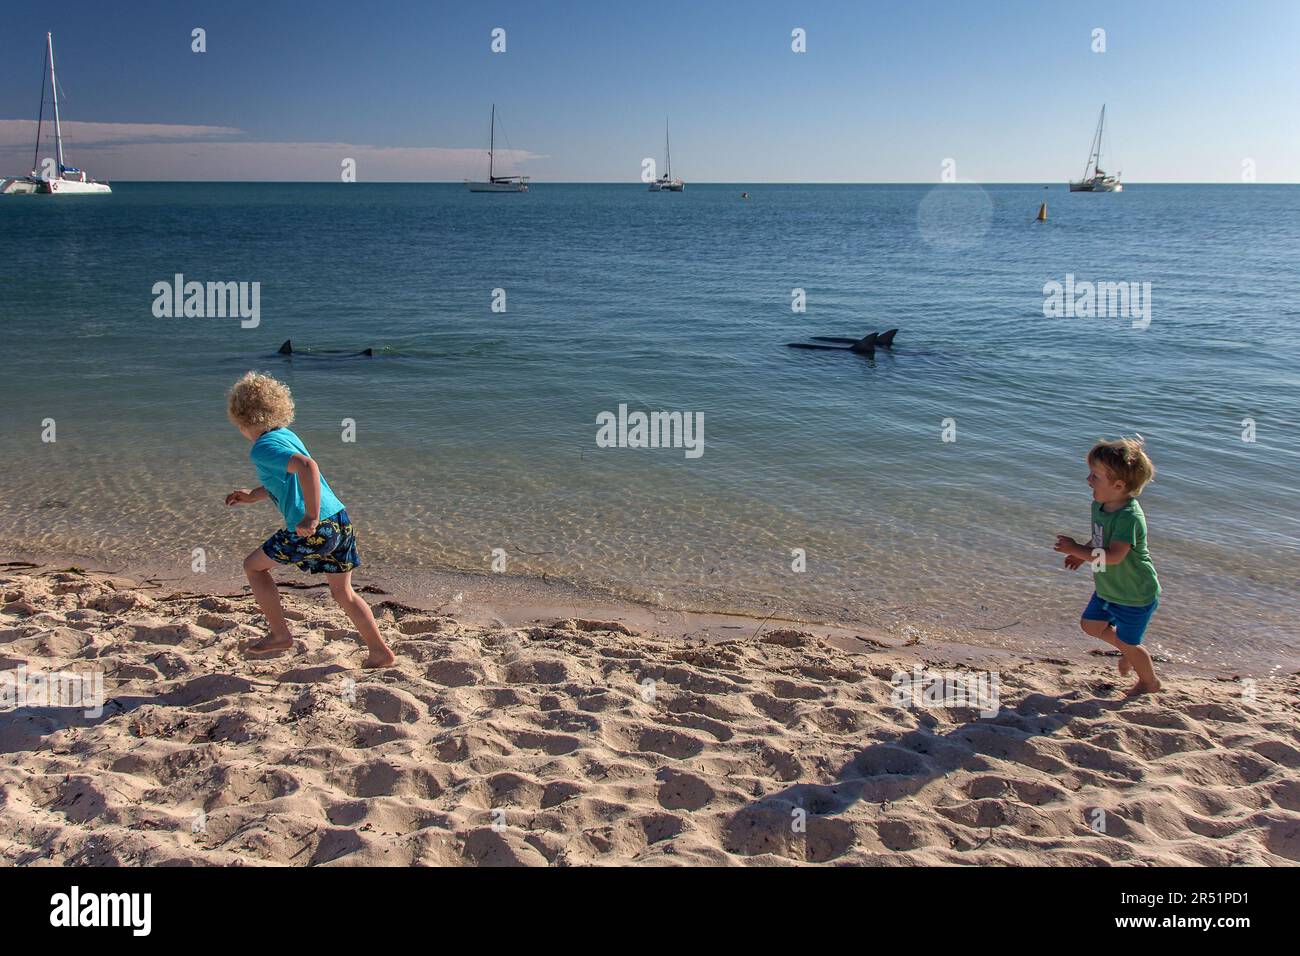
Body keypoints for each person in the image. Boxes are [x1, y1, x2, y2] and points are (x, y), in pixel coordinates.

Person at [224, 371, 395, 668]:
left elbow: (307, 467)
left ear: (240, 418)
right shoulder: (286, 435)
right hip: (340, 521)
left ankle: (280, 634)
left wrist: (310, 517)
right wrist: (252, 495)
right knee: (344, 593)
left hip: (316, 527)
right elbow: (286, 481)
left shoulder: (262, 447)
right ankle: (379, 652)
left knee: (253, 567)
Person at [1054, 437, 1161, 695]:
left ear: (1119, 485)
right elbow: (1102, 539)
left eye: (1095, 476)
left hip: (1135, 594)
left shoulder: (1129, 517)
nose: (1088, 480)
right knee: (1091, 625)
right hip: (1109, 588)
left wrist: (1076, 549)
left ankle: (1149, 682)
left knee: (1129, 642)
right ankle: (1128, 649)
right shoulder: (1100, 506)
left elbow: (1114, 556)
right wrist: (1083, 553)